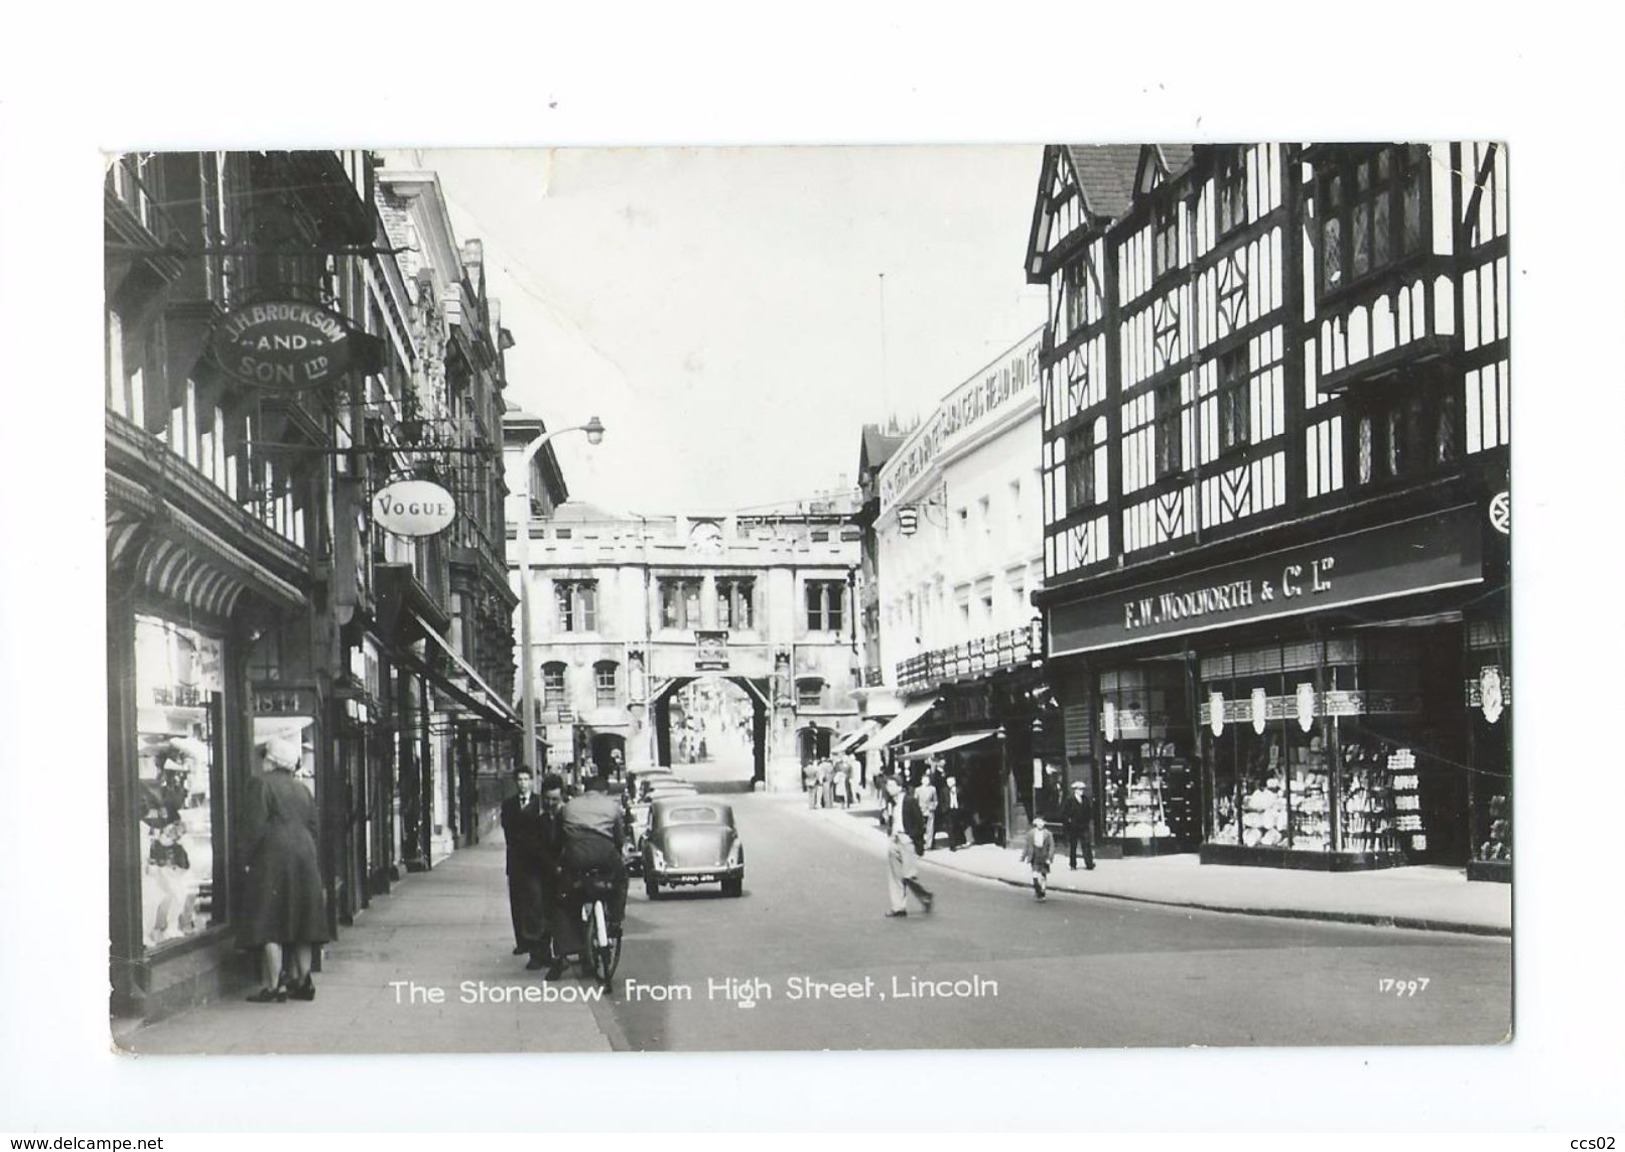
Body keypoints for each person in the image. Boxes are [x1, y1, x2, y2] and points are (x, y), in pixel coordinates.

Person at [239, 735, 327, 1003]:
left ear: (272, 760)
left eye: (265, 757)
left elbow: (254, 826)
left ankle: (274, 985)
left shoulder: (262, 785)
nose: (262, 761)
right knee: (304, 921)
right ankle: (304, 980)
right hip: (305, 856)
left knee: (269, 920)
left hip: (273, 857)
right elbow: (314, 827)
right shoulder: (303, 789)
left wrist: (244, 857)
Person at [551, 774, 628, 979]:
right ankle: (615, 921)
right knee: (620, 881)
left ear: (585, 789)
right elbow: (619, 837)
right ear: (604, 791)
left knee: (564, 900)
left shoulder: (568, 807)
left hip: (576, 859)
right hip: (605, 856)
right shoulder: (612, 807)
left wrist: (559, 860)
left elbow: (558, 838)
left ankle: (564, 952)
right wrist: (617, 854)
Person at [500, 768, 549, 969]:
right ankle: (522, 941)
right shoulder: (509, 804)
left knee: (535, 903)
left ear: (531, 781)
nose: (522, 783)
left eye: (526, 779)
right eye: (519, 779)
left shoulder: (540, 803)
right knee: (517, 901)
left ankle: (534, 942)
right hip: (516, 859)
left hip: (535, 861)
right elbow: (508, 831)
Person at [881, 775, 935, 918]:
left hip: (906, 839)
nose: (888, 788)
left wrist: (914, 840)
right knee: (895, 876)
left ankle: (925, 896)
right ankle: (898, 907)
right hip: (894, 839)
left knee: (909, 875)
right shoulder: (890, 802)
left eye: (892, 785)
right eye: (887, 786)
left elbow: (919, 823)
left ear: (900, 787)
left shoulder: (910, 801)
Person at [1062, 778, 1097, 870]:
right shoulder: (1070, 800)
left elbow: (1089, 811)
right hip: (1073, 827)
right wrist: (1068, 823)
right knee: (1073, 846)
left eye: (1082, 789)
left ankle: (1089, 863)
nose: (1081, 791)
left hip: (1084, 826)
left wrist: (1088, 821)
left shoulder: (1085, 799)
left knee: (1086, 845)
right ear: (1075, 790)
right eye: (1079, 789)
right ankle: (1073, 864)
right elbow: (1065, 813)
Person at [1021, 817, 1057, 900]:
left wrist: (1049, 858)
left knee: (1043, 874)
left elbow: (1052, 847)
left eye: (1042, 822)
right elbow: (1027, 846)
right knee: (1035, 874)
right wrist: (1023, 856)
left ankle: (1043, 891)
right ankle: (1037, 888)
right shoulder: (1030, 833)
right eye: (1038, 822)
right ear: (1035, 823)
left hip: (1044, 855)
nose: (1040, 824)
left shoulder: (1048, 834)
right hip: (1035, 855)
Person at [941, 772, 966, 851]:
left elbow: (962, 799)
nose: (950, 783)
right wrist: (944, 809)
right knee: (950, 828)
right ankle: (952, 845)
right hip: (949, 810)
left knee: (957, 826)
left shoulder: (959, 789)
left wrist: (961, 807)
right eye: (948, 782)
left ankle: (959, 841)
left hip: (957, 810)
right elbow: (941, 800)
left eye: (951, 782)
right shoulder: (944, 790)